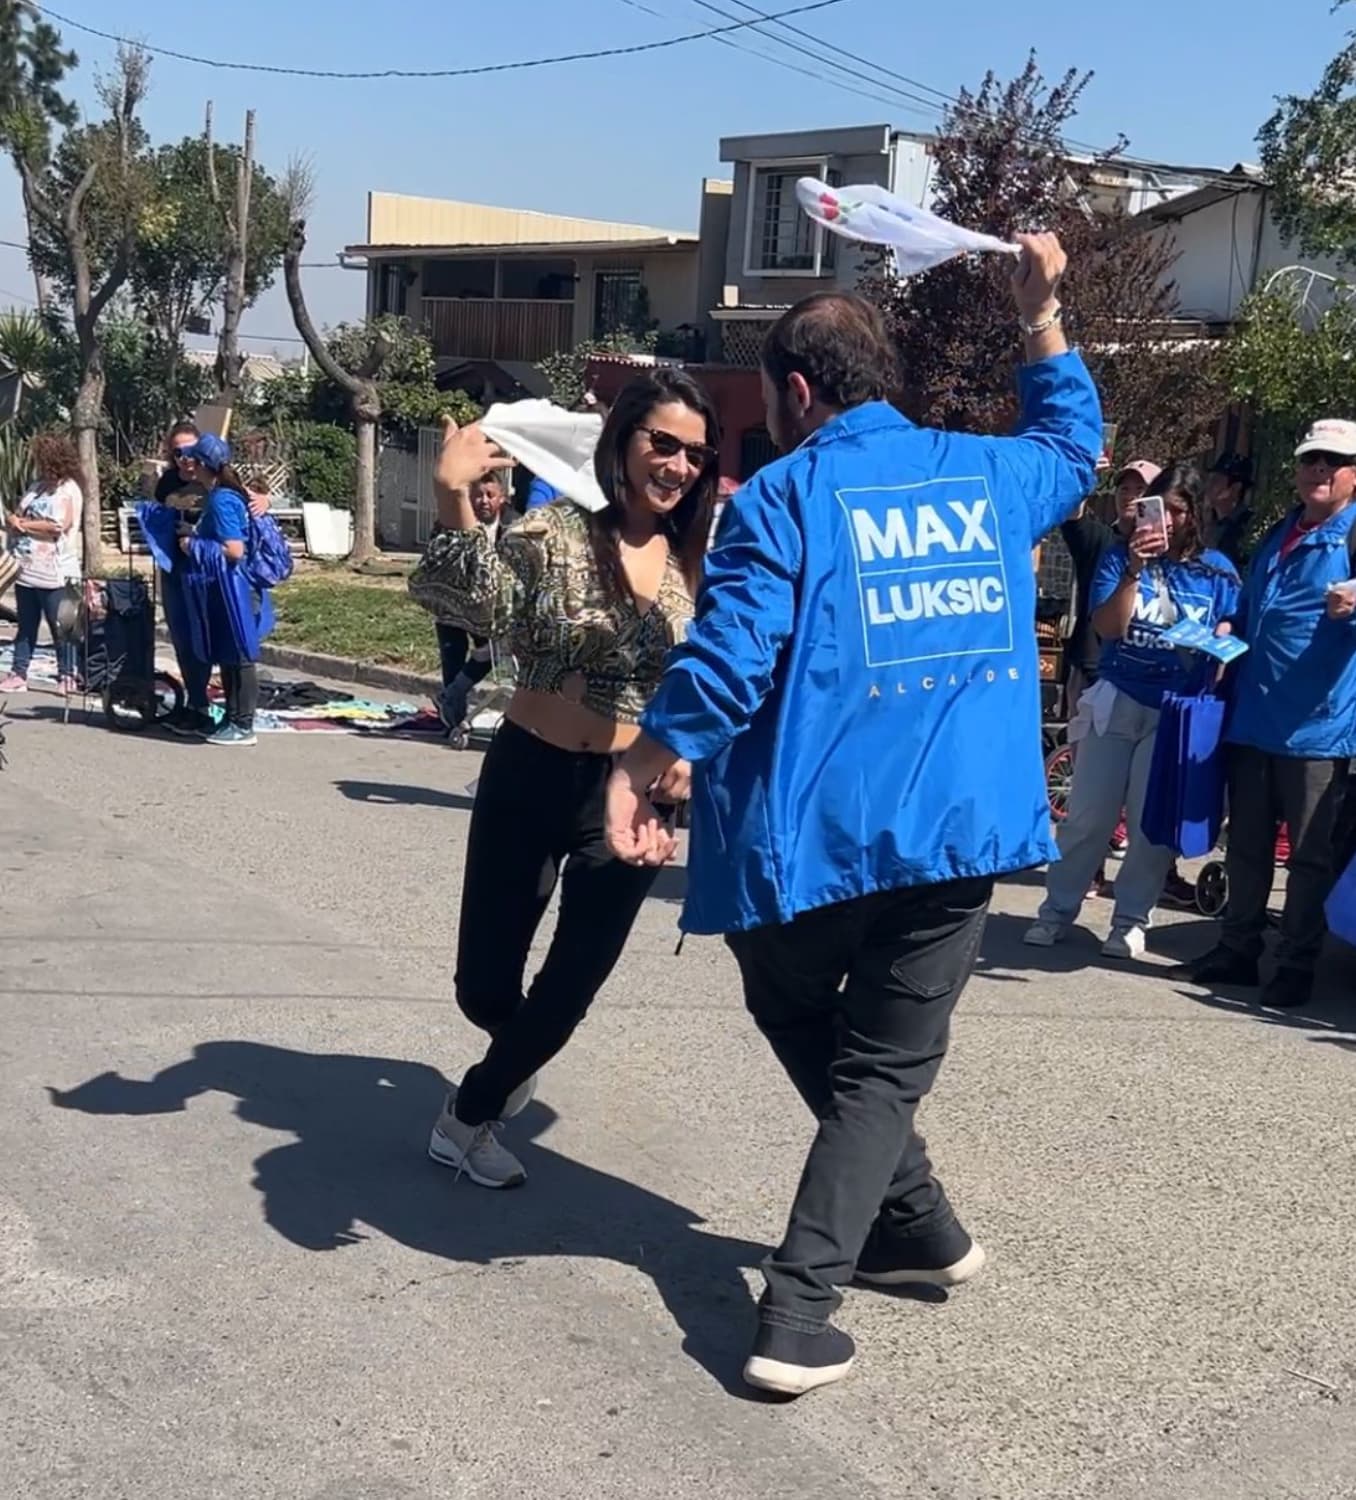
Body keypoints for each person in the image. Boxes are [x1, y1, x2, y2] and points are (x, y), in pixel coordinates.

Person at [604, 235, 1099, 1396]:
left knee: (822, 1030)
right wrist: (1041, 313)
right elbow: (1076, 444)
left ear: (797, 392)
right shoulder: (989, 477)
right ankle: (914, 1225)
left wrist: (638, 764)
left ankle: (797, 1307)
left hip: (809, 847)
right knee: (874, 1068)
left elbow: (728, 661)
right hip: (954, 839)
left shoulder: (782, 497)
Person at [406, 367, 720, 1190]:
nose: (677, 466)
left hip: (633, 794)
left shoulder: (704, 561)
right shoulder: (556, 533)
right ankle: (514, 1055)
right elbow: (474, 609)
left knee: (572, 981)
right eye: (663, 443)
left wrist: (692, 753)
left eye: (693, 452)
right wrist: (451, 501)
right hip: (530, 771)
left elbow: (722, 675)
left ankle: (470, 1109)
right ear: (622, 442)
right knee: (485, 988)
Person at [1025, 465, 1239, 959]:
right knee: (1089, 816)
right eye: (1156, 508)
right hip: (1118, 696)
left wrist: (1223, 637)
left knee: (1149, 823)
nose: (1165, 521)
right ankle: (1057, 909)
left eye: (1176, 511)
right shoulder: (1122, 557)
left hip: (1174, 712)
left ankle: (1130, 919)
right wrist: (1134, 570)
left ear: (1193, 515)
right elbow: (1108, 627)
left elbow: (1233, 624)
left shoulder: (1217, 570)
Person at [1179, 419, 1356, 1009]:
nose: (1318, 471)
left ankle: (1296, 964)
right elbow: (1254, 607)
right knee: (1247, 846)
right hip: (1254, 719)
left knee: (1308, 858)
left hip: (1316, 727)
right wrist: (1231, 625)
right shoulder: (1281, 532)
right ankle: (1237, 949)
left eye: (1332, 462)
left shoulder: (1352, 536)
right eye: (1311, 460)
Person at [152, 421, 272, 737]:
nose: (185, 459)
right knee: (208, 644)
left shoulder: (221, 496)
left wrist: (194, 544)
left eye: (192, 451)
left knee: (237, 649)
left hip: (221, 579)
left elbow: (234, 548)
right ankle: (209, 711)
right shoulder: (172, 485)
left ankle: (241, 722)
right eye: (178, 452)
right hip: (186, 574)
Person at [1, 433, 84, 695]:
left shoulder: (68, 489)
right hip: (26, 567)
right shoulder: (36, 486)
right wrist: (14, 521)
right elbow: (21, 512)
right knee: (26, 624)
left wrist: (22, 525)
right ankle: (19, 672)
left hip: (56, 570)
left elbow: (58, 525)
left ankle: (68, 674)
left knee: (62, 625)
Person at [433, 472, 508, 731]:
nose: (483, 501)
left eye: (490, 495)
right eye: (478, 495)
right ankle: (452, 720)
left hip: (490, 609)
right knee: (452, 659)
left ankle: (451, 694)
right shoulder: (453, 521)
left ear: (502, 498)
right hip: (453, 605)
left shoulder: (514, 528)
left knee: (494, 652)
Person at [1204, 452, 1255, 569]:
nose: (1208, 485)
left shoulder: (1249, 527)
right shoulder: (1208, 523)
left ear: (1235, 488)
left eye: (1215, 480)